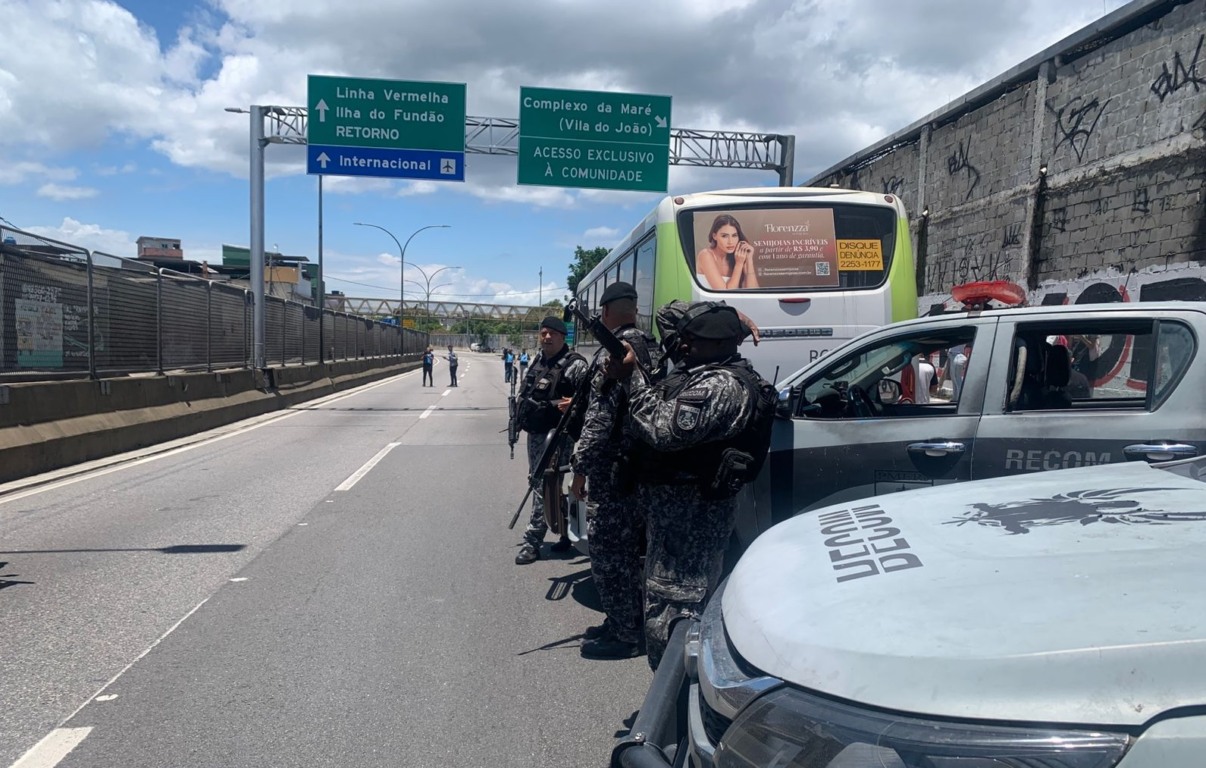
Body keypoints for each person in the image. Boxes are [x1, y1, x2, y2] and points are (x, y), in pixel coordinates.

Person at [608, 301, 775, 669]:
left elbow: (661, 428)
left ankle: (676, 716)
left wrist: (630, 377)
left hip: (689, 535)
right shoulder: (704, 362)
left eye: (691, 341)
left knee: (673, 628)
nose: (681, 346)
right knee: (665, 621)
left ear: (719, 345)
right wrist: (731, 312)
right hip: (673, 528)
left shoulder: (721, 384)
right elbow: (670, 313)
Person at [569, 282, 661, 659]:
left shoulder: (615, 354)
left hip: (613, 473)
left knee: (610, 557)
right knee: (631, 554)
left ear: (605, 313)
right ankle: (623, 620)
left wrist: (579, 470)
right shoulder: (653, 347)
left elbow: (599, 420)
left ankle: (626, 634)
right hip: (645, 466)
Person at [513, 317, 590, 564]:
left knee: (542, 483)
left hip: (557, 434)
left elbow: (592, 399)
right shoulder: (539, 361)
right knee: (548, 484)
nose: (547, 337)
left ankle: (533, 540)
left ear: (563, 336)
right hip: (535, 433)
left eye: (553, 333)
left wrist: (574, 405)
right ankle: (568, 531)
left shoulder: (574, 365)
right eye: (543, 333)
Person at [695, 214, 760, 290]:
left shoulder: (738, 256)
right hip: (709, 302)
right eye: (724, 236)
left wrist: (749, 259)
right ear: (714, 236)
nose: (730, 242)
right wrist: (739, 264)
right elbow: (725, 293)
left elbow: (754, 291)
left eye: (734, 235)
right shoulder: (705, 255)